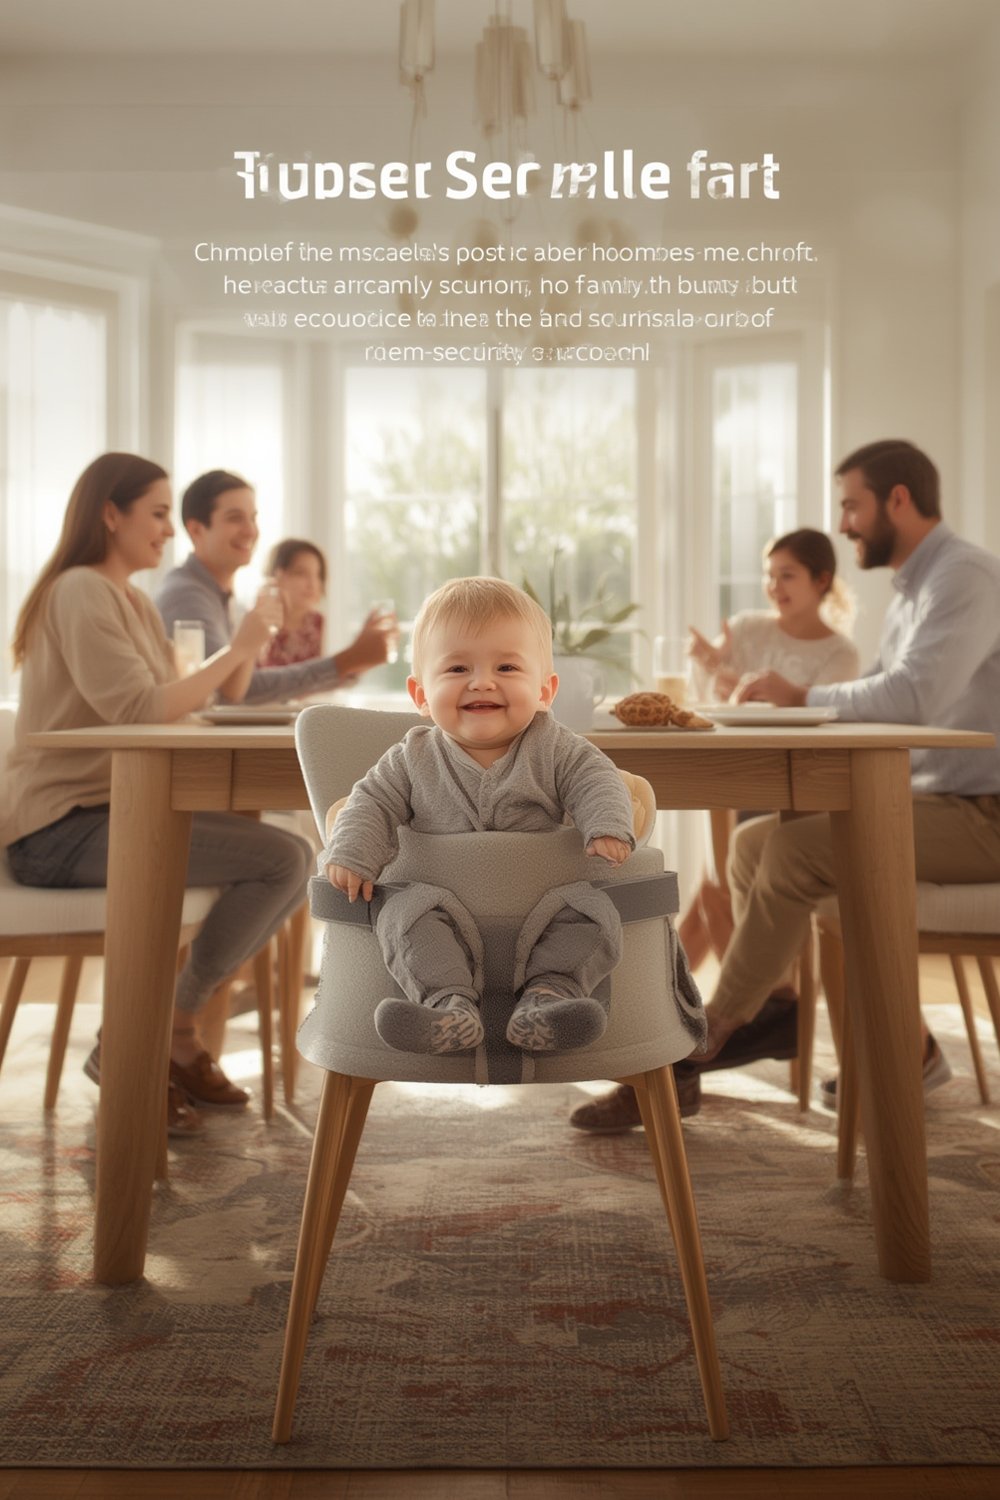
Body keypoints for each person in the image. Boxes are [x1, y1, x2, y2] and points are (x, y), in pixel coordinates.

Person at [574, 440, 1000, 1128]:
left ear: (898, 499)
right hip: (941, 800)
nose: (845, 522)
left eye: (852, 505)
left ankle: (708, 1034)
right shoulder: (916, 589)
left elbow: (914, 696)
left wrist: (801, 696)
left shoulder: (965, 578)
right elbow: (894, 695)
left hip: (984, 816)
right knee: (753, 845)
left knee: (793, 853)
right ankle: (774, 1004)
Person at [1, 453, 314, 1136]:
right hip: (58, 832)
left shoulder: (133, 601)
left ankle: (158, 1037)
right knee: (284, 861)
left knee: (287, 859)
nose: (168, 531)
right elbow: (138, 708)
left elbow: (169, 706)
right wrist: (240, 651)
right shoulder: (80, 590)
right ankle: (160, 1036)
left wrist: (236, 660)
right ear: (109, 514)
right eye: (158, 513)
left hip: (110, 812)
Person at [323, 576, 636, 1056]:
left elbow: (597, 778)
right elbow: (370, 800)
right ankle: (447, 1009)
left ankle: (548, 1000)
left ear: (545, 690)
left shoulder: (557, 749)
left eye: (507, 666)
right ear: (421, 695)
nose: (483, 681)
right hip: (444, 915)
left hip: (542, 912)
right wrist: (354, 854)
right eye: (457, 668)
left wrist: (607, 824)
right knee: (403, 914)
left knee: (593, 911)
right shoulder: (410, 758)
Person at [679, 528, 859, 969]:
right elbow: (705, 701)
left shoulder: (842, 653)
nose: (774, 587)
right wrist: (708, 666)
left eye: (787, 575)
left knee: (716, 889)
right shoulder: (746, 628)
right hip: (734, 771)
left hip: (801, 782)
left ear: (821, 580)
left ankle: (737, 1010)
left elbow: (824, 720)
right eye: (769, 575)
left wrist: (768, 691)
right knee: (715, 887)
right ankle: (727, 1012)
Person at [155, 470, 394, 703]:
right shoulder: (186, 596)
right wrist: (346, 662)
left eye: (253, 517)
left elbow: (238, 687)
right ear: (196, 529)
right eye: (235, 518)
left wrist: (352, 663)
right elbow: (231, 691)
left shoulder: (219, 597)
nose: (251, 530)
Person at [260, 538, 327, 667]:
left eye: (318, 575)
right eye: (301, 573)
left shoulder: (317, 621)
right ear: (278, 575)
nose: (312, 584)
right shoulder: (260, 622)